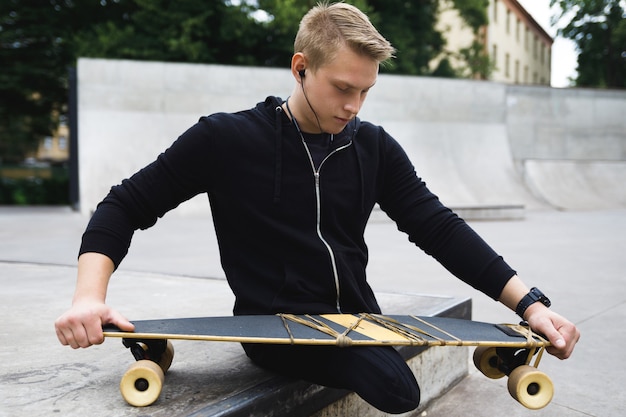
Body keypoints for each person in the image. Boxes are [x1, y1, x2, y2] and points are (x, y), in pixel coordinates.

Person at [55, 2, 579, 414]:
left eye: (366, 91)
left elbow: (437, 226)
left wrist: (529, 304)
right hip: (272, 327)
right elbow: (124, 204)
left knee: (393, 383)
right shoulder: (226, 139)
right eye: (342, 88)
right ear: (301, 68)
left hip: (355, 323)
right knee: (397, 389)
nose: (353, 107)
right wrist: (88, 297)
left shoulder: (371, 146)